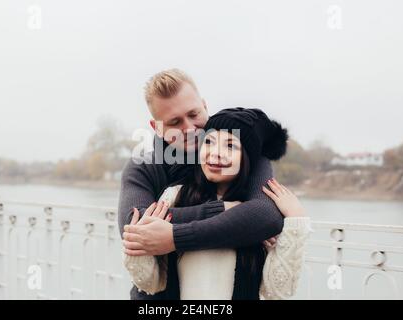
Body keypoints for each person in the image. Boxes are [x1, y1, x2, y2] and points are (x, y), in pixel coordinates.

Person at [118, 69, 284, 300]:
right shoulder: (144, 165)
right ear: (156, 127)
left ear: (205, 106)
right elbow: (134, 228)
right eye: (175, 122)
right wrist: (228, 210)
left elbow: (266, 215)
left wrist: (173, 237)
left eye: (193, 114)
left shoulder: (244, 150)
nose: (189, 128)